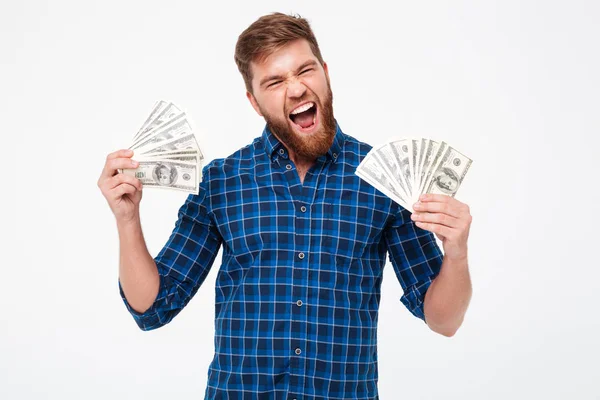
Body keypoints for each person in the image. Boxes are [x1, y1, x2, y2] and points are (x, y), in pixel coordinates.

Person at [97, 12, 473, 400]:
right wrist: (127, 219)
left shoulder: (383, 179)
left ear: (325, 73)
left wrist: (457, 253)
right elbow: (153, 308)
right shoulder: (221, 181)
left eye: (305, 70)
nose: (295, 90)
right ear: (254, 102)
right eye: (275, 82)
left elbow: (442, 319)